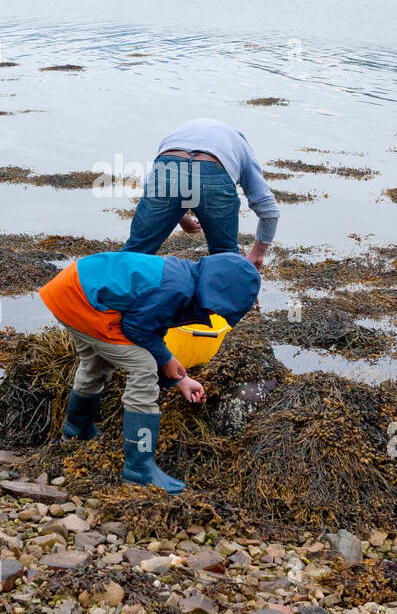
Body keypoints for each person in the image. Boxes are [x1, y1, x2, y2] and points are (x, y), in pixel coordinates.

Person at [38, 249, 260, 492]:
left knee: (97, 361)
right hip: (84, 299)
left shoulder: (186, 279)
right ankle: (139, 468)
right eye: (220, 308)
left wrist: (181, 379)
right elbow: (135, 329)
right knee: (142, 368)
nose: (216, 313)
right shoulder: (176, 289)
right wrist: (165, 359)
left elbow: (152, 324)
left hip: (72, 289)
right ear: (217, 291)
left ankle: (77, 429)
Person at [123, 118, 279, 271]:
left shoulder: (180, 135)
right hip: (214, 167)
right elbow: (269, 209)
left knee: (135, 252)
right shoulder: (241, 147)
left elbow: (153, 183)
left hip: (169, 161)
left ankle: (112, 294)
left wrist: (178, 215)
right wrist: (257, 255)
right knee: (224, 259)